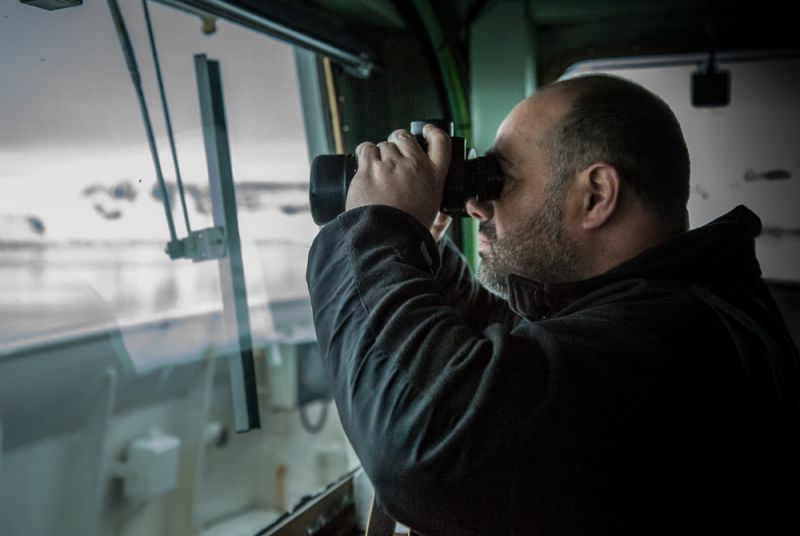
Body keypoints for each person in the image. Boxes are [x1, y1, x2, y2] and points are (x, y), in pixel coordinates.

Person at [305, 74, 800, 535]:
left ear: (596, 195)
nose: (477, 207)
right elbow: (521, 371)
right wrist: (418, 253)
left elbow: (429, 449)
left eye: (499, 181)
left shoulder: (673, 345)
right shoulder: (683, 305)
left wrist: (376, 230)